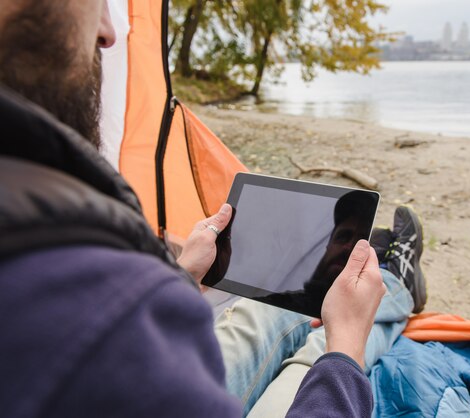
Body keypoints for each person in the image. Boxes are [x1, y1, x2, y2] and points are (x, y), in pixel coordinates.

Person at [0, 2, 424, 417]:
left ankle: (378, 273)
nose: (110, 31)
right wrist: (346, 347)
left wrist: (184, 276)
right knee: (322, 346)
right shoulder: (103, 309)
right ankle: (397, 281)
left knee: (276, 306)